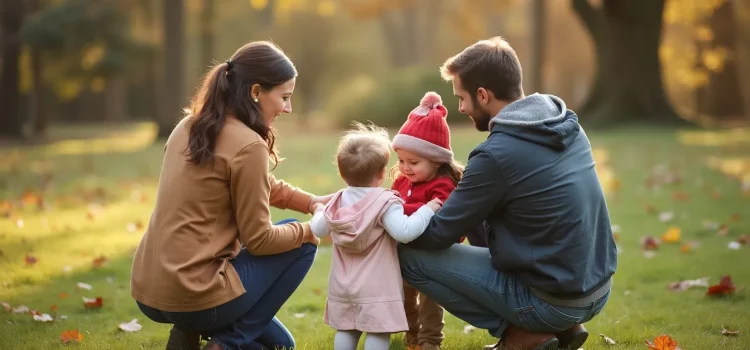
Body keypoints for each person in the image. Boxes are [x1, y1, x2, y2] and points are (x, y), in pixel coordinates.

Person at [397, 37, 618, 350]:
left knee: (407, 254)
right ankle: (563, 328)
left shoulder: (495, 155)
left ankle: (522, 333)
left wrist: (390, 224)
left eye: (462, 98)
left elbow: (437, 236)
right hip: (596, 289)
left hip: (552, 300)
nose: (460, 108)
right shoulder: (565, 124)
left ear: (483, 95)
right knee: (473, 211)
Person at [130, 41, 333, 350]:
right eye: (284, 97)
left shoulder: (189, 125)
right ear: (255, 91)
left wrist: (311, 202)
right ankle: (226, 343)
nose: (288, 108)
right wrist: (310, 229)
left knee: (280, 346)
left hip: (150, 290)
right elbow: (260, 241)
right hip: (194, 294)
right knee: (304, 246)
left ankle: (186, 334)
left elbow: (256, 184)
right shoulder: (248, 144)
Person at [309, 123, 443, 350]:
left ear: (343, 173)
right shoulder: (385, 203)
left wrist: (318, 210)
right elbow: (405, 232)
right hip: (376, 287)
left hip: (342, 285)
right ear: (382, 174)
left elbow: (318, 230)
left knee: (347, 330)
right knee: (378, 333)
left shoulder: (337, 201)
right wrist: (427, 209)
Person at [388, 91, 487, 350]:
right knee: (404, 299)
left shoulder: (443, 185)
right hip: (403, 254)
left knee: (431, 302)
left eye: (414, 162)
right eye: (400, 160)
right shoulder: (401, 181)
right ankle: (412, 338)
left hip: (434, 259)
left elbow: (440, 218)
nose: (405, 168)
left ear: (436, 160)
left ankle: (430, 341)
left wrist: (399, 208)